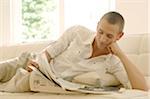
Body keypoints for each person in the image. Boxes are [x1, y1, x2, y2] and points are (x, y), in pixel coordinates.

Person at [0, 11, 148, 92]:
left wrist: (120, 54)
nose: (102, 39)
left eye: (109, 36)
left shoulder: (113, 62)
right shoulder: (78, 32)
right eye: (100, 32)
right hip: (32, 62)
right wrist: (37, 62)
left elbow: (142, 87)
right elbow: (50, 51)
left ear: (119, 36)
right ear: (97, 26)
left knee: (17, 83)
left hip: (42, 80)